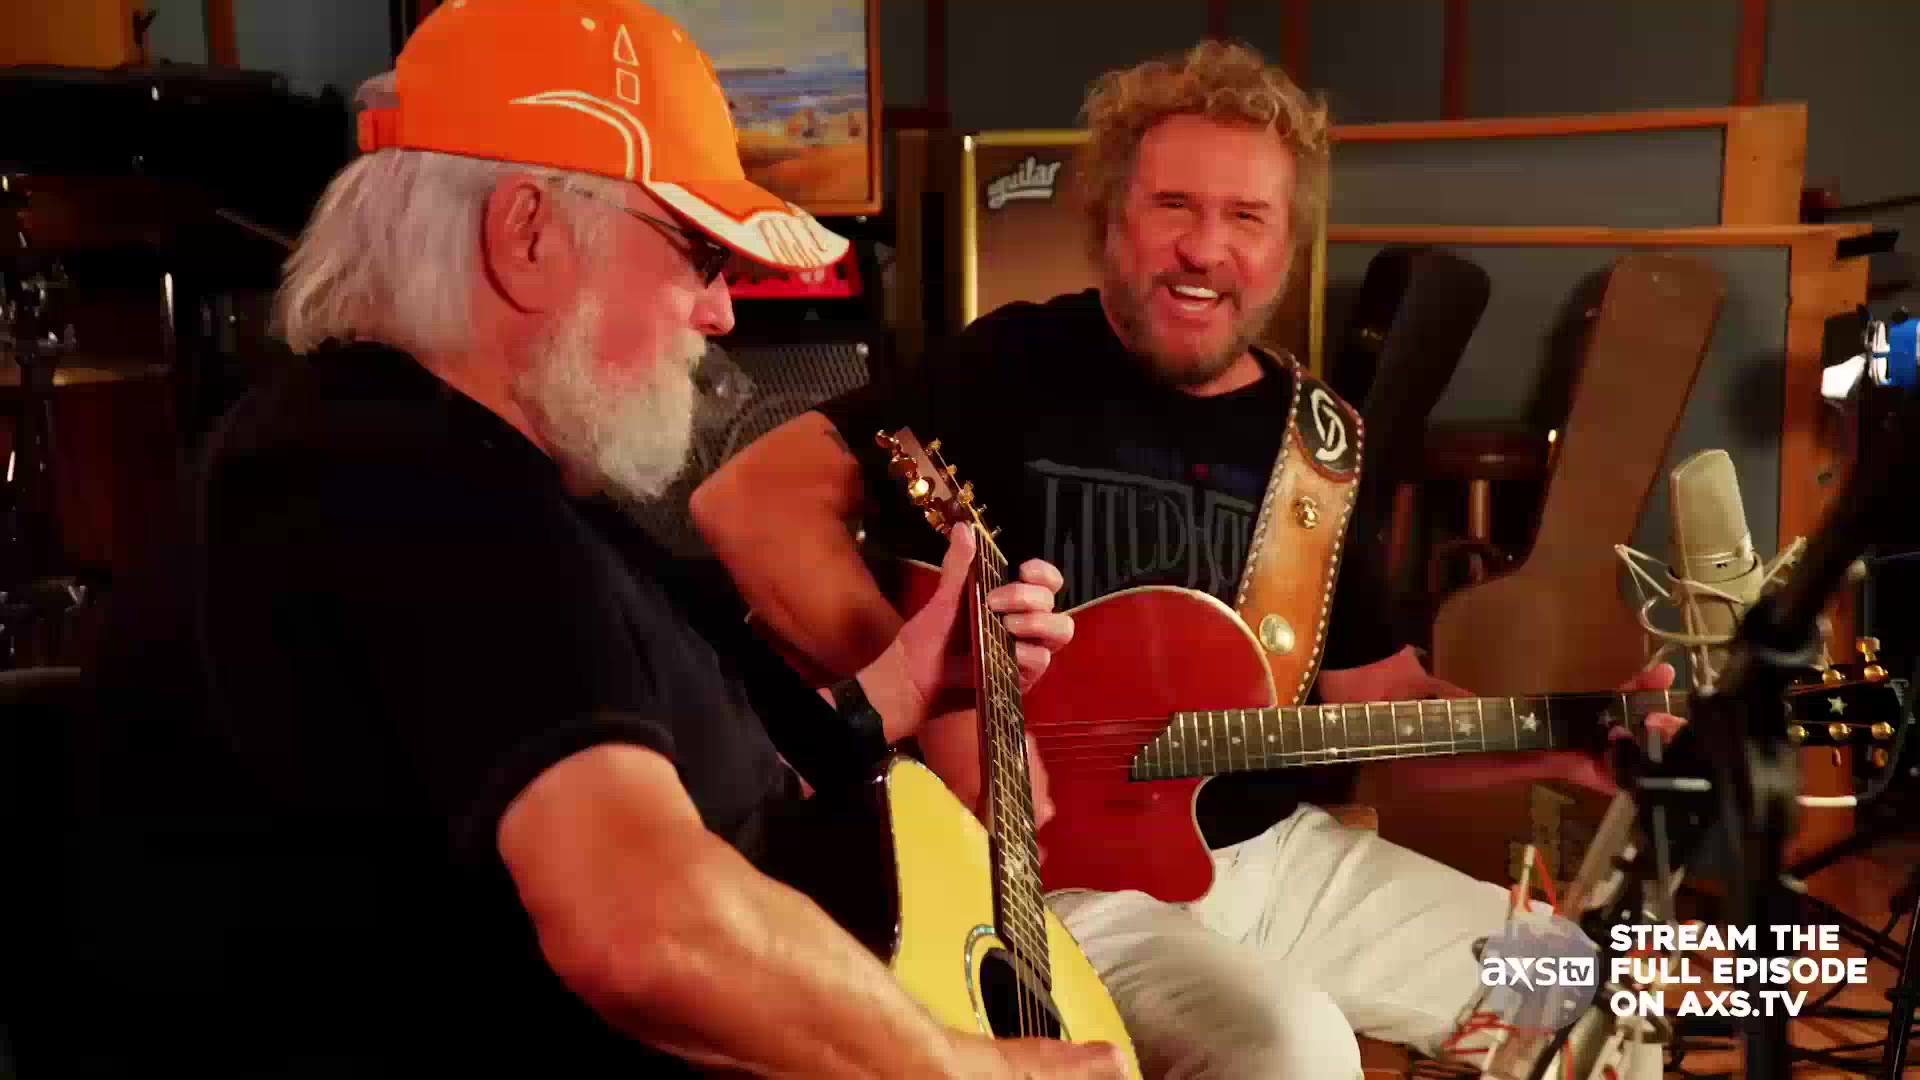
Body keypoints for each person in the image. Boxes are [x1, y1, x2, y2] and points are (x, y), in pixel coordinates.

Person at [29, 3, 1128, 1077]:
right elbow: (644, 925)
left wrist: (900, 685)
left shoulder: (477, 473)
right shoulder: (402, 490)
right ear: (528, 234)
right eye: (700, 256)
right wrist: (971, 1069)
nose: (723, 313)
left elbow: (702, 776)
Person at [691, 40, 1680, 1079]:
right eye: (1173, 206)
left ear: (1286, 246)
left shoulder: (1320, 444)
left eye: (1247, 217)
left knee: (1591, 994)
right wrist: (942, 699)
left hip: (1276, 862)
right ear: (1110, 221)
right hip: (1065, 885)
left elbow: (1384, 706)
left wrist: (1567, 745)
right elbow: (749, 504)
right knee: (1294, 1048)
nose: (1204, 249)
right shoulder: (1008, 366)